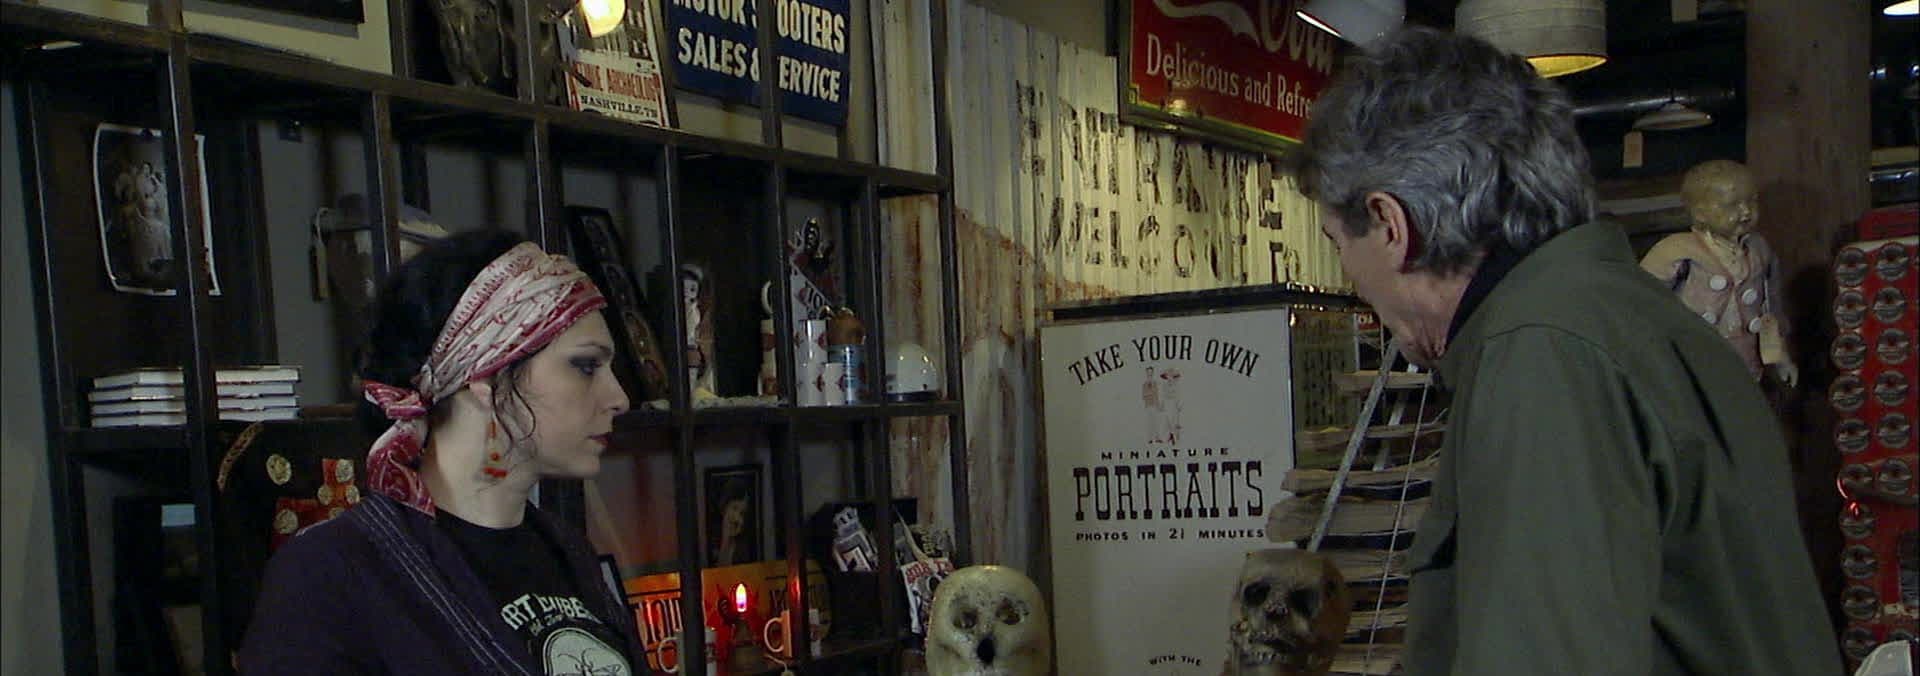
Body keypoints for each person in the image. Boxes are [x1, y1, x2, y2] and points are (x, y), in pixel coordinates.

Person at [1285, 27, 1837, 675]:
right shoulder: (1620, 316)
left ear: (1390, 226)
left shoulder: (1543, 354)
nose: (1350, 275)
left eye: (1339, 243)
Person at [239, 230, 647, 674]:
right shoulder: (333, 573)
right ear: (485, 377)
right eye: (585, 365)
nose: (618, 397)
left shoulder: (567, 551)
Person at [1640, 159, 1798, 386]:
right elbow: (1641, 305)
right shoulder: (1675, 252)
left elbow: (1770, 310)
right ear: (1700, 213)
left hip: (1746, 363)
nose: (1746, 211)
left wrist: (1779, 356)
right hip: (1691, 365)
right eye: (1731, 205)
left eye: (1751, 201)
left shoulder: (1759, 250)